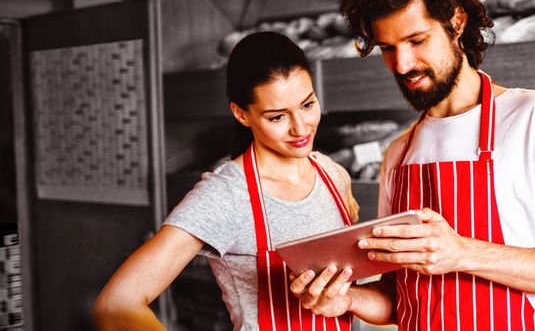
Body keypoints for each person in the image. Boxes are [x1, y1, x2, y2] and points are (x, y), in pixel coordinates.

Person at [291, 0, 535, 329]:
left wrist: (461, 253)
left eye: (417, 41)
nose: (401, 64)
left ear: (457, 22)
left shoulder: (533, 117)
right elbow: (401, 298)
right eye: (387, 47)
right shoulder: (400, 153)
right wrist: (346, 300)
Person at [93, 32, 360, 330]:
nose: (301, 127)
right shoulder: (226, 194)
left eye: (308, 105)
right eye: (277, 117)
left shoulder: (333, 173)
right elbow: (116, 304)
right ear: (242, 114)